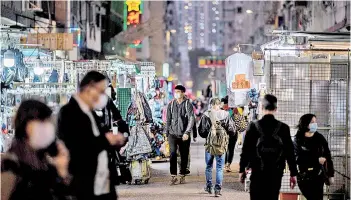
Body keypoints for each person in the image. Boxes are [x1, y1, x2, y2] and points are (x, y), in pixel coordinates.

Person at [57, 71, 126, 200]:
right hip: (84, 185)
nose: (103, 96)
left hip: (101, 185)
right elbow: (77, 147)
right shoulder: (69, 113)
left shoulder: (90, 113)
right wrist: (106, 140)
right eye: (101, 91)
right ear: (89, 88)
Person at [1, 100, 70, 200]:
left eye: (48, 122)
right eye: (42, 122)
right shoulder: (11, 165)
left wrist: (62, 172)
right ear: (27, 126)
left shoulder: (44, 161)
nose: (48, 128)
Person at [239, 94, 298, 200]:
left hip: (257, 173)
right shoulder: (284, 128)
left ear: (261, 108)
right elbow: (290, 152)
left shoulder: (253, 126)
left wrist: (242, 170)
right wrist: (293, 173)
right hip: (275, 174)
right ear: (276, 109)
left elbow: (246, 150)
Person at [198, 97, 236, 197]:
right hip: (221, 145)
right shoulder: (226, 114)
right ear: (220, 105)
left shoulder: (206, 114)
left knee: (209, 166)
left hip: (210, 146)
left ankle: (209, 187)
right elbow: (232, 130)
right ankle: (218, 189)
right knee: (219, 167)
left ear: (211, 104)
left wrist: (209, 135)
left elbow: (201, 132)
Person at [294, 114, 335, 200]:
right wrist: (316, 160)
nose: (315, 124)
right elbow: (297, 159)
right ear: (305, 124)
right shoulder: (298, 139)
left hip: (318, 175)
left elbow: (328, 156)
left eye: (315, 122)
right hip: (304, 176)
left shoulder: (320, 138)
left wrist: (331, 174)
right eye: (312, 122)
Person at [166, 84, 195, 185]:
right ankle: (173, 176)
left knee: (184, 155)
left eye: (178, 92)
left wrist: (187, 132)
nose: (176, 93)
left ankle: (182, 174)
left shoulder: (188, 104)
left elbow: (192, 119)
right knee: (172, 155)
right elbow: (168, 119)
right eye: (176, 92)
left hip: (184, 135)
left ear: (183, 93)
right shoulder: (171, 104)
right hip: (172, 134)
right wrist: (167, 133)